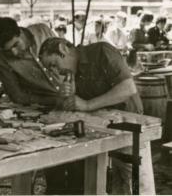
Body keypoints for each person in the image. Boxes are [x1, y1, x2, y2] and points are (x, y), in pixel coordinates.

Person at [39, 37, 154, 195]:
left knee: (137, 186)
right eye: (49, 69)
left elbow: (128, 88)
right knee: (114, 186)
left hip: (129, 127)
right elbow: (68, 107)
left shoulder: (102, 52)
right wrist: (66, 96)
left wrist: (87, 105)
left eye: (53, 64)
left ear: (63, 48)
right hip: (105, 129)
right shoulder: (72, 73)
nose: (54, 71)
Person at [0, 17, 59, 106]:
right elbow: (18, 96)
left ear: (20, 32)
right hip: (44, 105)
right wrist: (55, 101)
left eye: (16, 44)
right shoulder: (1, 59)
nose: (14, 53)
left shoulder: (43, 31)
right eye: (8, 50)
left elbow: (68, 59)